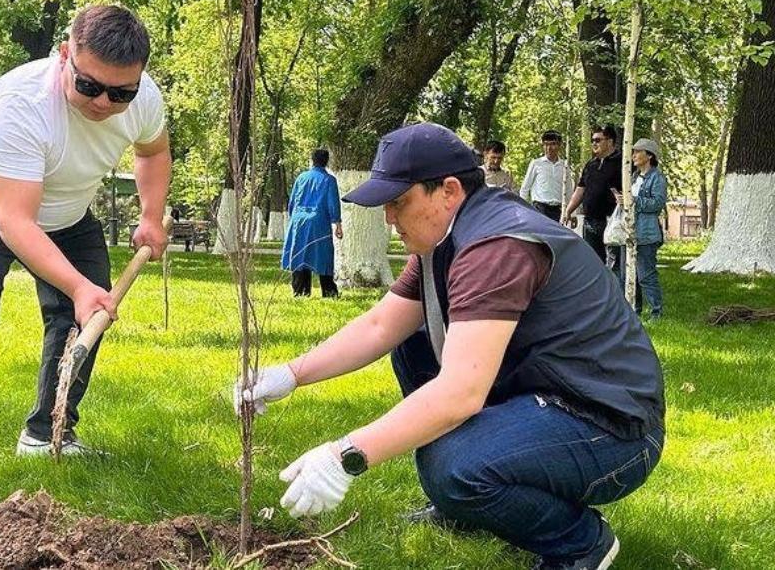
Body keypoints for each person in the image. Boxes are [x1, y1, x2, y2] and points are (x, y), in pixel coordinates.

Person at [236, 123, 664, 570]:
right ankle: (471, 507)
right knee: (412, 342)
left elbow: (460, 393)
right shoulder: (447, 240)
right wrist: (290, 374)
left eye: (398, 202)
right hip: (552, 396)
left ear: (449, 191)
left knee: (451, 465)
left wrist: (345, 455)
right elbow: (382, 325)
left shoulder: (495, 247)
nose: (388, 218)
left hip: (612, 427)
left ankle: (579, 543)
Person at [0, 5, 171, 503]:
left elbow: (153, 152)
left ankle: (46, 432)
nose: (103, 103)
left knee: (81, 320)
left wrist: (152, 215)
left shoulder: (145, 100)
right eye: (89, 86)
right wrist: (76, 286)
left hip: (67, 211)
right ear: (64, 57)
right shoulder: (24, 104)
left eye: (121, 93)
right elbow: (15, 222)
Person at [608, 139, 667, 319]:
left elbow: (657, 204)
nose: (633, 156)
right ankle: (634, 311)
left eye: (637, 152)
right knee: (628, 276)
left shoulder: (657, 178)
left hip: (646, 234)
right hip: (629, 232)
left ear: (649, 155)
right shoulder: (633, 177)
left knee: (646, 276)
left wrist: (633, 200)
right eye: (632, 152)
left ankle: (657, 312)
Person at [281, 148, 343, 298]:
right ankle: (329, 291)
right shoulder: (329, 180)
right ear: (327, 161)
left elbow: (293, 201)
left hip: (298, 220)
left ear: (312, 160)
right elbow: (333, 203)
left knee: (300, 255)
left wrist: (292, 218)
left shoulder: (301, 177)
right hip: (318, 221)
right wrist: (338, 224)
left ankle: (300, 291)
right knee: (323, 255)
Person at [563, 124, 622, 263]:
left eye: (598, 140)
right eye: (592, 140)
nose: (594, 143)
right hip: (590, 221)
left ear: (610, 141)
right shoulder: (591, 164)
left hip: (612, 221)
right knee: (593, 261)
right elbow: (581, 188)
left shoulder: (622, 163)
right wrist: (569, 210)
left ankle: (615, 285)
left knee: (614, 262)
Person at [519, 130, 574, 222]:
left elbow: (569, 191)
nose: (549, 148)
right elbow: (525, 188)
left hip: (557, 210)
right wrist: (523, 211)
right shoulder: (536, 164)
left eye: (553, 144)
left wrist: (571, 213)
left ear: (560, 145)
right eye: (546, 144)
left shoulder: (564, 166)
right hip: (539, 209)